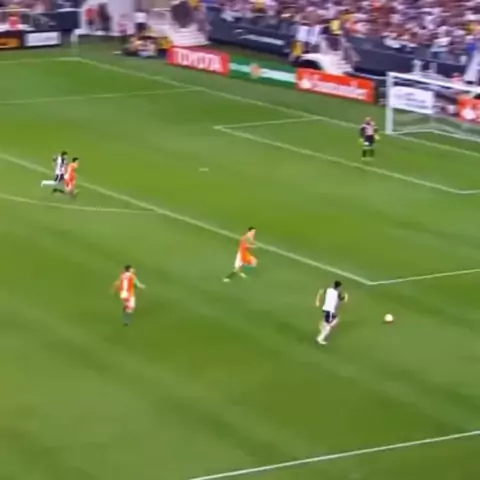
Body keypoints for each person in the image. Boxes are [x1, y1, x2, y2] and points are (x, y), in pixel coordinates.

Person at [315, 280, 348, 345]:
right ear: (338, 287)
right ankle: (319, 338)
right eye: (340, 287)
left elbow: (320, 291)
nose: (341, 288)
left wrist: (317, 301)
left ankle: (323, 324)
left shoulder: (328, 290)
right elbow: (341, 299)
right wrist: (345, 298)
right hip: (330, 310)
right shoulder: (337, 293)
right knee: (328, 328)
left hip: (327, 309)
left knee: (336, 319)